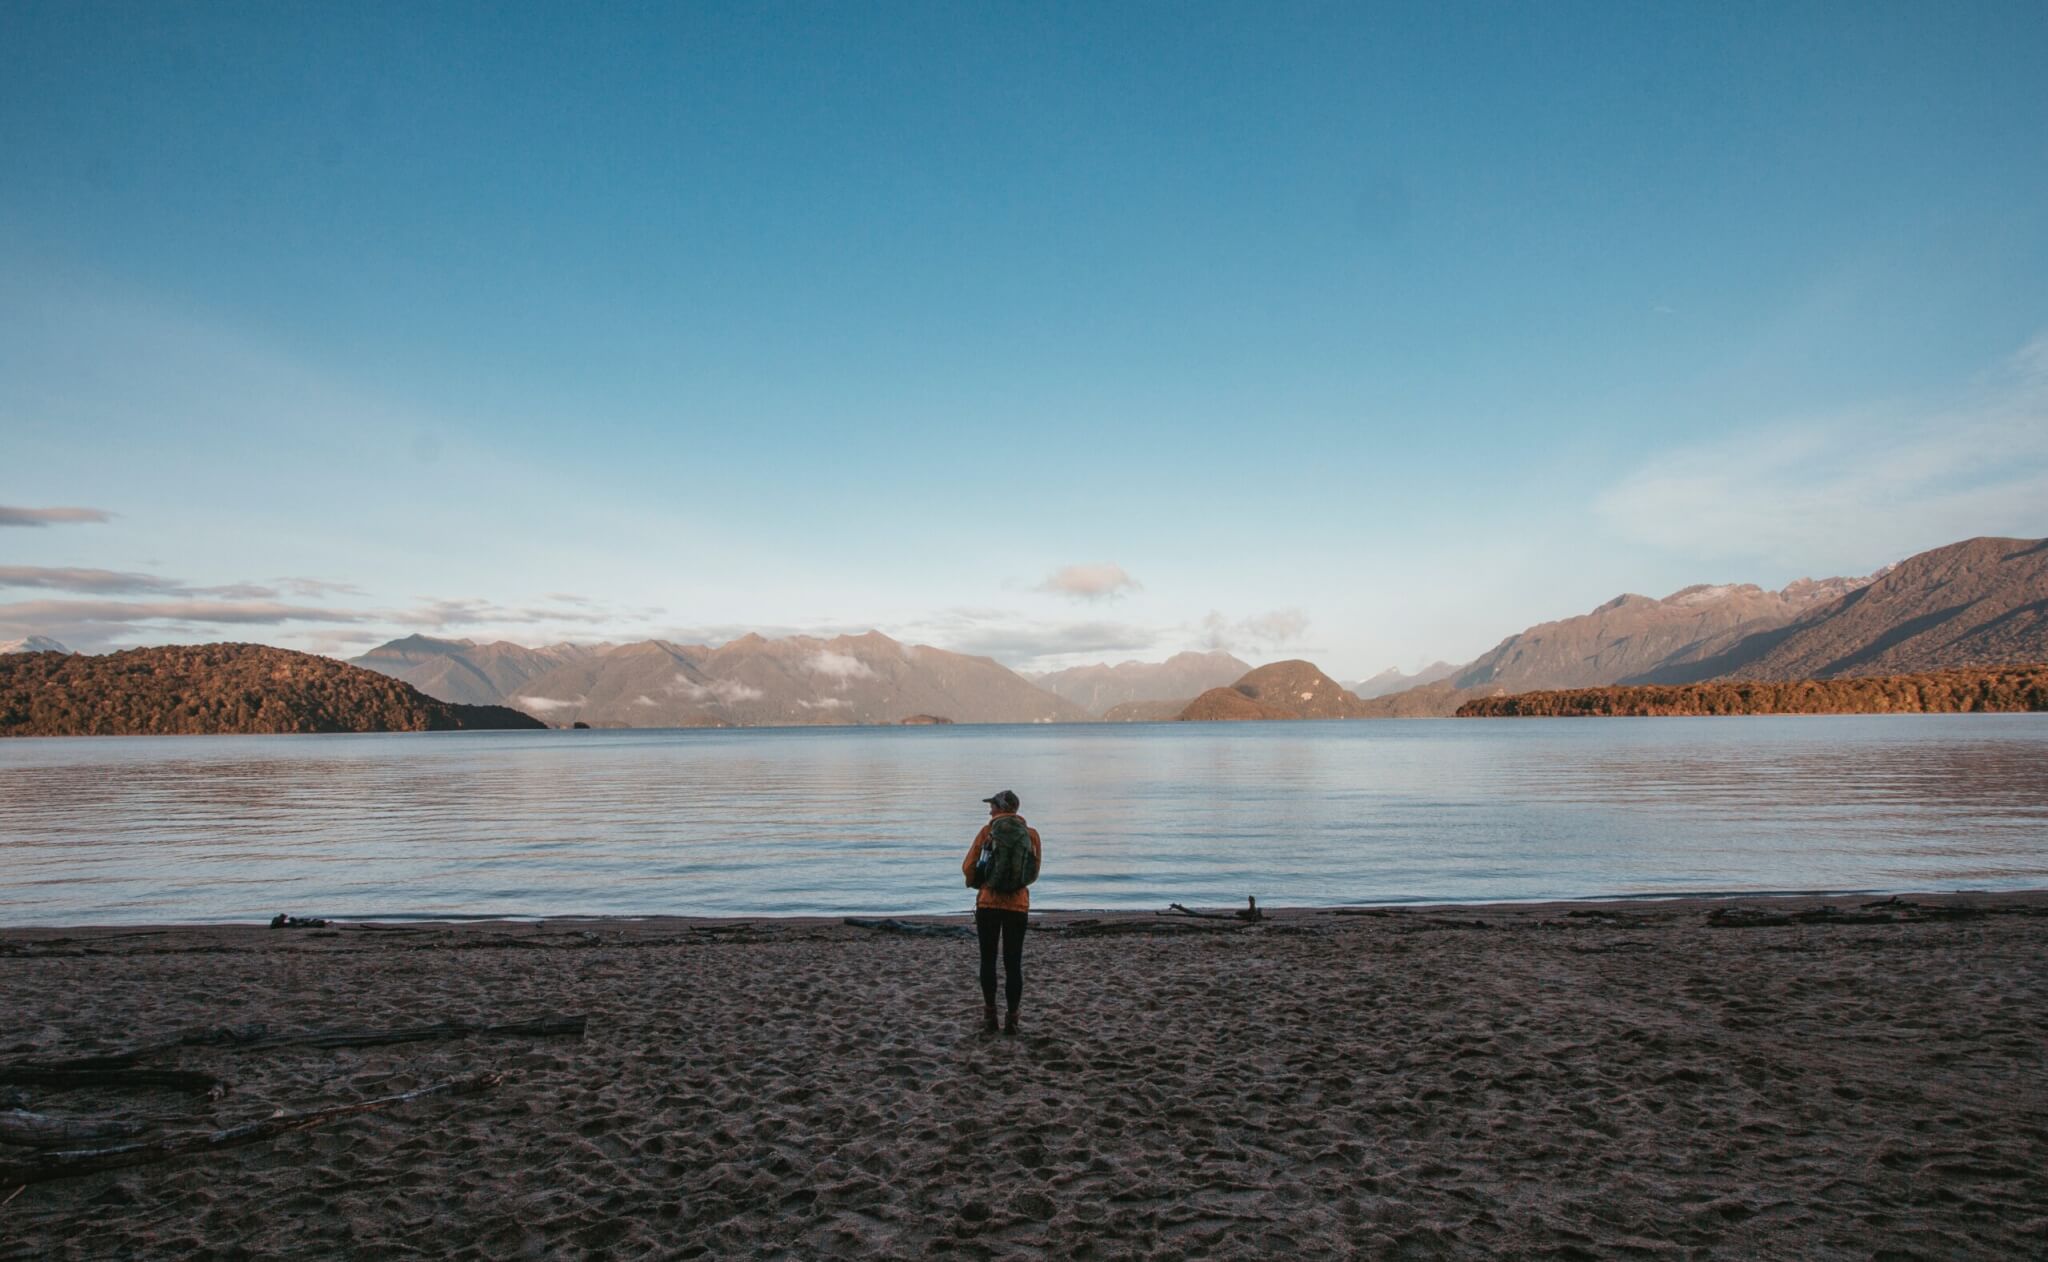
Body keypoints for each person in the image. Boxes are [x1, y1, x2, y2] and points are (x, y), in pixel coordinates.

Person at [961, 788, 1041, 1035]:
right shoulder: (1031, 835)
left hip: (988, 904)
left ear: (1002, 808)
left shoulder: (987, 832)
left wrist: (980, 883)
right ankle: (1013, 1019)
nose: (989, 809)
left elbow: (968, 867)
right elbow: (1033, 873)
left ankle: (990, 1016)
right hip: (1018, 906)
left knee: (988, 960)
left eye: (993, 805)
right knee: (1013, 962)